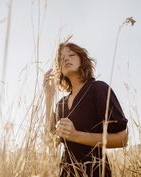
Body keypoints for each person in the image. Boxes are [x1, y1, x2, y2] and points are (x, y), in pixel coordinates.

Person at [44, 42, 128, 177]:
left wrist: (76, 135)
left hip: (95, 171)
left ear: (82, 61)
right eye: (61, 58)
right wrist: (48, 98)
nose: (65, 59)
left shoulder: (98, 89)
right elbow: (50, 142)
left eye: (71, 55)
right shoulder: (61, 104)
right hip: (66, 172)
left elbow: (122, 139)